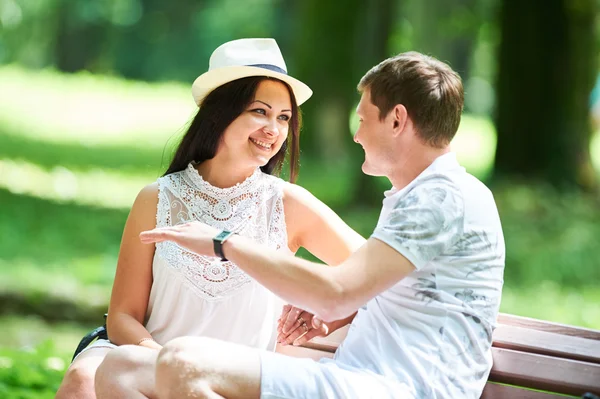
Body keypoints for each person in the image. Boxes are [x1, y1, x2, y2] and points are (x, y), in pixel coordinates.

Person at [103, 51, 506, 399]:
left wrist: (224, 242)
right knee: (119, 369)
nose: (356, 136)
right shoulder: (419, 196)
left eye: (363, 119)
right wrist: (336, 313)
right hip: (357, 379)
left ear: (397, 120)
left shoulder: (439, 199)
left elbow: (335, 292)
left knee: (183, 362)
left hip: (396, 387)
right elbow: (370, 292)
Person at [55, 38, 365, 399]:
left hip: (233, 376)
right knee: (82, 381)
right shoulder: (157, 198)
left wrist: (327, 312)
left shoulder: (288, 204)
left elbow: (378, 276)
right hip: (147, 356)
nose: (274, 129)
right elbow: (123, 316)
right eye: (260, 111)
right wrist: (171, 365)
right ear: (219, 112)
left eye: (284, 118)